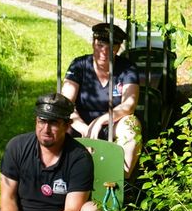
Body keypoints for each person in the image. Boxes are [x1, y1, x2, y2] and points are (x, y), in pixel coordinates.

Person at [60, 22, 142, 176]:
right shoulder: (79, 65)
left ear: (118, 48)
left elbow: (128, 105)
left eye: (110, 46)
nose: (104, 51)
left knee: (132, 127)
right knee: (58, 125)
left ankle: (121, 178)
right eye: (100, 44)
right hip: (80, 123)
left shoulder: (128, 68)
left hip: (114, 123)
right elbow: (66, 103)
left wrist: (101, 121)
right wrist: (85, 128)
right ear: (93, 43)